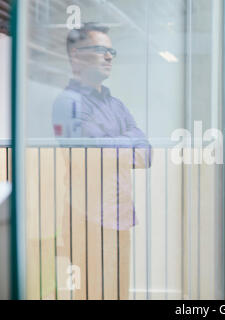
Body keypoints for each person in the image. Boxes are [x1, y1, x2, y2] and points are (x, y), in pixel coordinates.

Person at [51, 22, 150, 300]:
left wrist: (112, 142)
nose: (108, 57)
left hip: (119, 217)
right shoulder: (68, 103)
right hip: (88, 219)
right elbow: (89, 154)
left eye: (111, 51)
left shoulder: (114, 104)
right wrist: (125, 139)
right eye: (100, 50)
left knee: (118, 293)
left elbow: (146, 153)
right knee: (94, 294)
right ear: (76, 56)